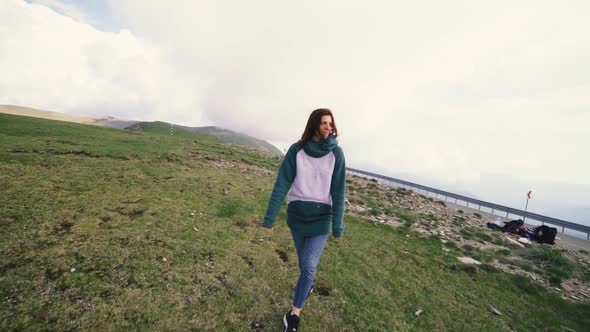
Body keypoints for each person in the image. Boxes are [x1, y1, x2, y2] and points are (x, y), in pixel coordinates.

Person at [262, 108, 346, 332]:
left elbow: (338, 192)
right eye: (324, 123)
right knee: (304, 265)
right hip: (297, 217)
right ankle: (305, 287)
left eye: (331, 124)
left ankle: (293, 315)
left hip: (321, 219)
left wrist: (337, 225)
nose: (329, 127)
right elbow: (281, 184)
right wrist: (269, 219)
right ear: (314, 125)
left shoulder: (337, 154)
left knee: (309, 265)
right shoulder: (296, 151)